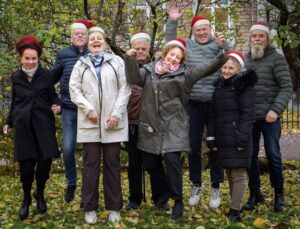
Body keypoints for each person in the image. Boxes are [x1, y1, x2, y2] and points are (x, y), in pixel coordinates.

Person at [125, 38, 226, 220]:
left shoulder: (186, 74)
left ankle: (177, 201)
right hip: (150, 126)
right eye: (172, 54)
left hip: (174, 126)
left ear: (181, 60)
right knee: (150, 164)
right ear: (165, 54)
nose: (173, 59)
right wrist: (130, 59)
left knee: (172, 163)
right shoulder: (148, 71)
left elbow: (209, 67)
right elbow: (133, 79)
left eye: (178, 57)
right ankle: (163, 193)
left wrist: (221, 51)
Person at [166, 2, 226, 208]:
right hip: (192, 104)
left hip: (215, 103)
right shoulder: (188, 47)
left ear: (209, 30)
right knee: (193, 146)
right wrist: (172, 21)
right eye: (198, 30)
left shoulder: (218, 44)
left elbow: (229, 61)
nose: (201, 32)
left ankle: (216, 187)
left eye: (204, 29)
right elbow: (171, 44)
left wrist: (223, 45)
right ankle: (196, 184)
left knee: (215, 145)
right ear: (193, 32)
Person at [69, 26, 131, 224]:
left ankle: (114, 207)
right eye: (92, 39)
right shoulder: (81, 64)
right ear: (88, 44)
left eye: (99, 38)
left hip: (113, 123)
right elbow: (74, 89)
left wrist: (116, 114)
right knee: (90, 165)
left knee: (113, 164)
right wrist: (88, 109)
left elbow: (125, 88)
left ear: (105, 43)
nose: (95, 41)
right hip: (90, 123)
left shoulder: (117, 62)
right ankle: (90, 208)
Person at [3, 35, 61, 220]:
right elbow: (14, 101)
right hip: (23, 127)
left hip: (44, 125)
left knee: (44, 165)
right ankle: (26, 198)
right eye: (27, 58)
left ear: (38, 58)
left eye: (34, 58)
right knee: (26, 167)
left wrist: (57, 105)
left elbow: (53, 96)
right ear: (21, 58)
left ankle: (40, 194)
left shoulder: (47, 75)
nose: (30, 61)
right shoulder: (15, 76)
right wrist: (9, 121)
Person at [242, 22, 293, 212]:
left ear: (267, 39)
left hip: (270, 117)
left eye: (260, 36)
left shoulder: (277, 59)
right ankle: (255, 194)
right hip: (249, 117)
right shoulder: (246, 59)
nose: (257, 39)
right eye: (254, 36)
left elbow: (286, 87)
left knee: (273, 155)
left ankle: (279, 195)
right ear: (250, 38)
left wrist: (275, 110)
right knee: (250, 157)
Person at [207, 51, 257, 222]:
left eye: (231, 68)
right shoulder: (219, 86)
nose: (227, 71)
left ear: (238, 69)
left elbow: (248, 115)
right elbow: (212, 114)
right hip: (222, 138)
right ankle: (234, 205)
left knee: (238, 174)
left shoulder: (245, 87)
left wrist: (242, 139)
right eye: (225, 67)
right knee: (229, 172)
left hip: (237, 138)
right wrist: (211, 136)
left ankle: (236, 210)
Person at [125, 32, 169, 211]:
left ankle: (160, 198)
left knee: (153, 163)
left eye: (144, 48)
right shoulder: (126, 66)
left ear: (149, 49)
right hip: (131, 123)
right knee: (134, 163)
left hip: (151, 125)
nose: (141, 51)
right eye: (137, 49)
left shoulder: (156, 68)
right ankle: (135, 198)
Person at [53, 19, 95, 203]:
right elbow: (50, 80)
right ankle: (71, 183)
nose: (79, 36)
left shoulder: (94, 52)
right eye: (76, 33)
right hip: (69, 109)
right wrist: (56, 102)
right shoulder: (63, 54)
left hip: (90, 111)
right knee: (68, 148)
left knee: (90, 151)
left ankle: (89, 185)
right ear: (71, 37)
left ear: (87, 37)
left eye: (83, 33)